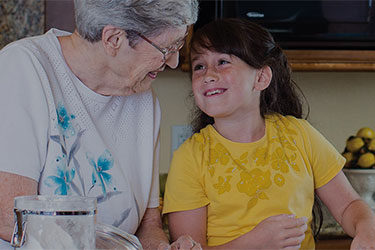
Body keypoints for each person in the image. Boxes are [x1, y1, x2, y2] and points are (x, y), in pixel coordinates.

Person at [0, 0, 200, 249]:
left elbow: (149, 225)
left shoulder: (143, 99)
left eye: (178, 46)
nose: (172, 61)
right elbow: (9, 217)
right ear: (114, 38)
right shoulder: (24, 69)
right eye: (167, 48)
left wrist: (161, 247)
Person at [162, 18, 375, 249]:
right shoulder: (189, 157)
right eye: (199, 66)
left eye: (222, 62)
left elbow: (348, 206)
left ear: (261, 78)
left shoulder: (300, 134)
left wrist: (366, 228)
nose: (208, 75)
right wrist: (255, 242)